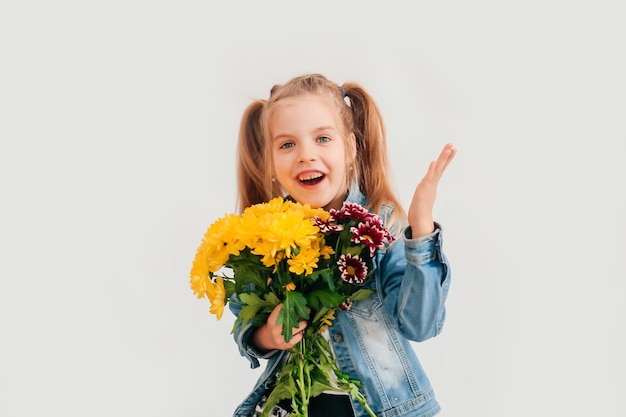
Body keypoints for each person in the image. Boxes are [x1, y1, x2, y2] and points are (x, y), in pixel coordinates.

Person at [229, 73, 456, 417]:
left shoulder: (380, 224)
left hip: (381, 408)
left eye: (322, 138)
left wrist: (421, 230)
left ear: (350, 148)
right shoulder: (263, 234)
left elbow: (420, 325)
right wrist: (267, 336)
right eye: (287, 144)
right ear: (270, 163)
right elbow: (245, 314)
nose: (306, 155)